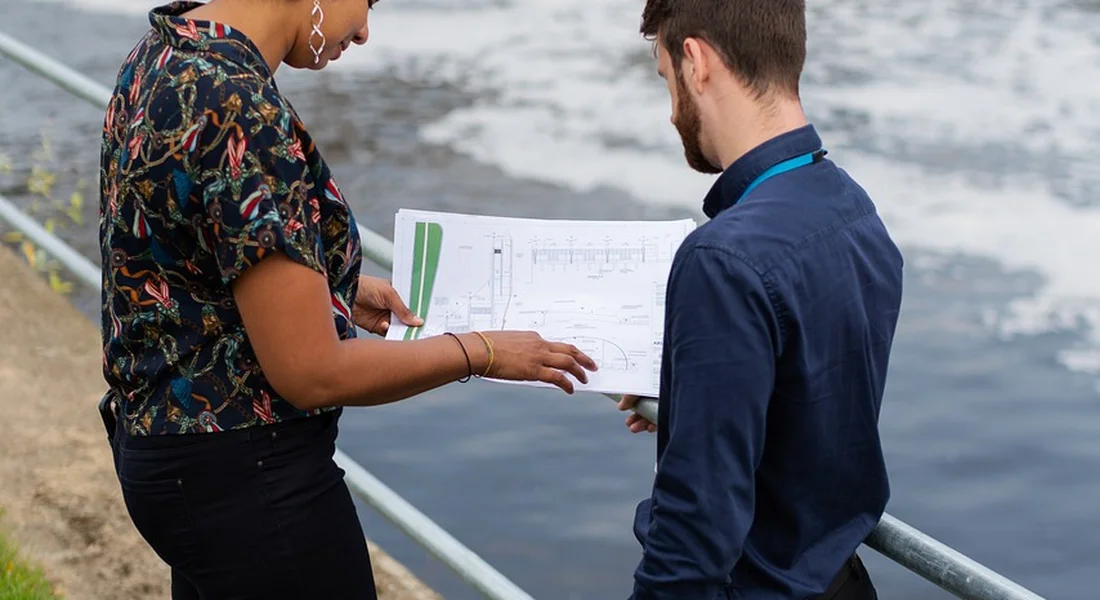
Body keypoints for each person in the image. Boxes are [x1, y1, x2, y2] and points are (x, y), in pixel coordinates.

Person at [98, 1, 597, 598]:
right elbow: (312, 373)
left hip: (167, 458)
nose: (363, 31)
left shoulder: (161, 55)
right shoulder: (241, 106)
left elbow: (174, 255)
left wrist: (326, 288)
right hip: (251, 482)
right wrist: (481, 351)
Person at [616, 1, 904, 599]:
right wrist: (697, 394)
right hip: (841, 579)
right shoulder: (856, 212)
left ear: (695, 63)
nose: (672, 113)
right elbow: (812, 406)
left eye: (666, 80)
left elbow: (694, 539)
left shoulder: (720, 259)